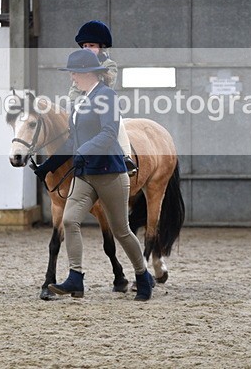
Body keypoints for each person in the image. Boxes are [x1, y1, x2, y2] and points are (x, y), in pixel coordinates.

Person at [34, 49, 154, 301]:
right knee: (69, 220)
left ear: (88, 73)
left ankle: (143, 275)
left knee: (121, 231)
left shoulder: (106, 96)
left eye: (74, 73)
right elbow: (72, 141)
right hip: (86, 174)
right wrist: (47, 166)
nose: (72, 78)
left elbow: (109, 132)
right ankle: (75, 276)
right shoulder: (81, 101)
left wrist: (83, 151)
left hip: (109, 173)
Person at [69, 20, 137, 176]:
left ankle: (125, 157)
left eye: (91, 46)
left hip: (102, 105)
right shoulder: (79, 64)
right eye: (85, 46)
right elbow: (73, 91)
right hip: (81, 105)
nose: (87, 49)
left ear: (100, 47)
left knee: (117, 125)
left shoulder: (109, 64)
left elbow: (107, 84)